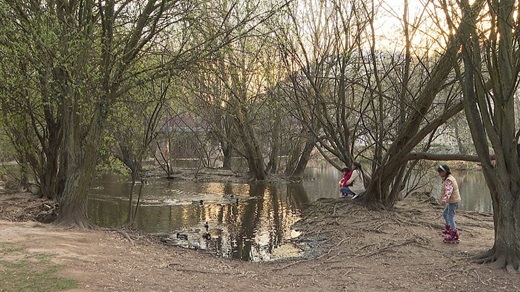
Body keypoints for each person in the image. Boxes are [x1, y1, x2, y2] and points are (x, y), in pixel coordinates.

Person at [437, 164, 461, 243]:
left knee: (450, 217)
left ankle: (454, 234)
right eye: (439, 172)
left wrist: (444, 200)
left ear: (445, 172)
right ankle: (449, 228)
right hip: (452, 201)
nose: (439, 173)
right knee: (444, 214)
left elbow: (448, 191)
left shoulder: (449, 180)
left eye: (440, 172)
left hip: (453, 201)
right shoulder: (447, 178)